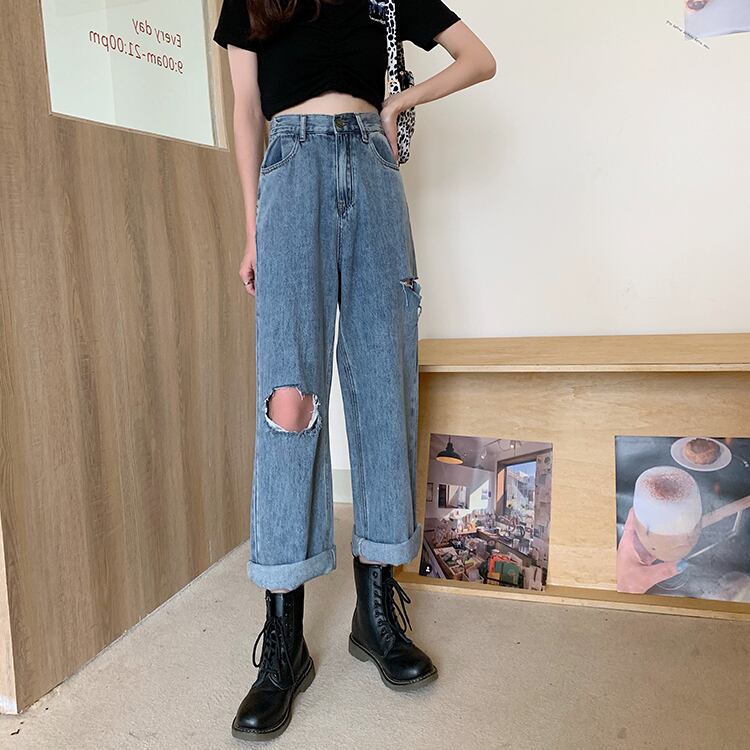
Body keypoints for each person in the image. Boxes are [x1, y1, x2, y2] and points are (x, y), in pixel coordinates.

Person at [212, 0, 495, 741]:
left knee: (382, 388)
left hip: (371, 169)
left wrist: (399, 101)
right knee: (287, 403)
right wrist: (252, 228)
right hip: (289, 172)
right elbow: (244, 109)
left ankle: (376, 615)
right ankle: (284, 643)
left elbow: (478, 58)